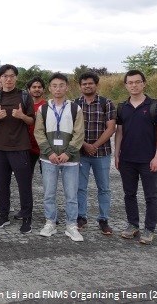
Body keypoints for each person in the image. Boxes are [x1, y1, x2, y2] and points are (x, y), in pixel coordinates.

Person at [115, 70, 157, 245]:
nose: (134, 85)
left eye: (137, 82)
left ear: (144, 83)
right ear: (126, 85)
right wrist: (117, 155)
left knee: (151, 195)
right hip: (127, 159)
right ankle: (133, 224)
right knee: (129, 194)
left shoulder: (155, 106)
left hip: (148, 159)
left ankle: (149, 228)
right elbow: (119, 132)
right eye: (130, 82)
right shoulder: (122, 107)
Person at [35, 73, 85, 241]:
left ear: (67, 87)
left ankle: (71, 225)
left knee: (71, 195)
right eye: (54, 85)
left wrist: (67, 153)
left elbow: (79, 134)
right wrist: (49, 152)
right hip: (48, 159)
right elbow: (39, 133)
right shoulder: (43, 109)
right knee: (49, 193)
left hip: (70, 160)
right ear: (49, 88)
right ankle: (50, 222)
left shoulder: (74, 108)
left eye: (61, 85)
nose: (58, 89)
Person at [0, 64, 35, 233]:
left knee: (24, 184)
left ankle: (27, 216)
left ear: (16, 77)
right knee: (2, 184)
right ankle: (3, 215)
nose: (8, 79)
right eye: (5, 76)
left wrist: (22, 116)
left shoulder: (24, 96)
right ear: (0, 78)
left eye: (11, 76)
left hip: (20, 146)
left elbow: (32, 121)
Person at [75, 72, 116, 235]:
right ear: (80, 86)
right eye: (84, 84)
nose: (87, 86)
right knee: (80, 187)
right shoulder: (75, 104)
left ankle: (103, 219)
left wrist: (95, 145)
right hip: (80, 152)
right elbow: (71, 128)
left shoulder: (107, 103)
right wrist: (85, 145)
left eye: (90, 83)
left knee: (104, 188)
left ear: (96, 85)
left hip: (102, 153)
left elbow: (111, 127)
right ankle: (81, 217)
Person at [26, 77, 47, 177]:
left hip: (44, 146)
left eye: (39, 87)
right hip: (28, 147)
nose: (37, 89)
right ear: (28, 89)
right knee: (26, 176)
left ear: (43, 89)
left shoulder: (47, 106)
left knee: (47, 176)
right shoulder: (24, 106)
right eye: (34, 87)